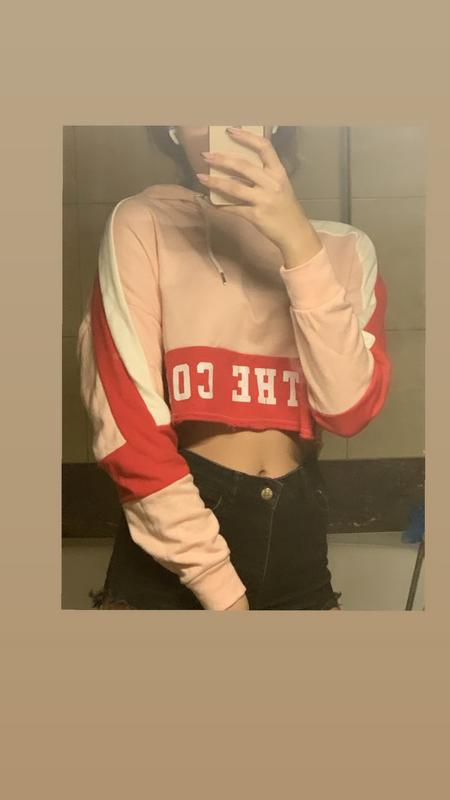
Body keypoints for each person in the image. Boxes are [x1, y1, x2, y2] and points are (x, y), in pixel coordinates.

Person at [77, 125, 392, 611]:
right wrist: (218, 585)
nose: (223, 120)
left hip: (298, 530)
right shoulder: (143, 223)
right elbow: (127, 427)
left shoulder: (345, 248)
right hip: (180, 530)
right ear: (172, 129)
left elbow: (347, 410)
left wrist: (298, 242)